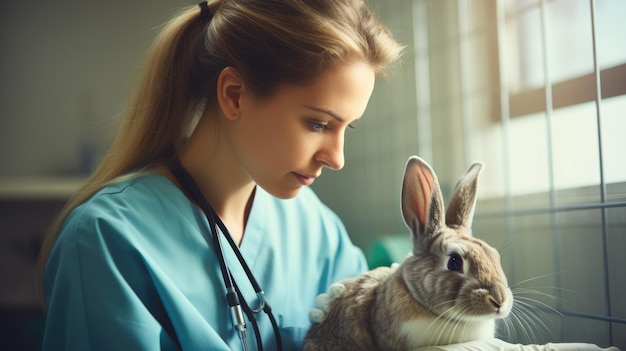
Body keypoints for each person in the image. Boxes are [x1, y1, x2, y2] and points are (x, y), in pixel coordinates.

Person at [38, 0, 402, 350]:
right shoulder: (106, 241)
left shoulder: (317, 233)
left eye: (347, 128)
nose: (337, 159)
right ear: (234, 95)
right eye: (318, 123)